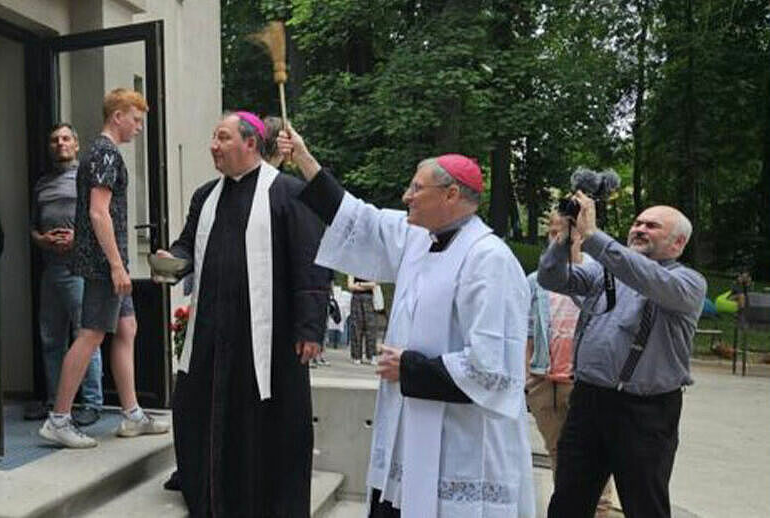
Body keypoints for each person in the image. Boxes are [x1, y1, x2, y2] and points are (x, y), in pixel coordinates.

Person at [282, 125, 534, 517]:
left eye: (417, 188)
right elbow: (356, 217)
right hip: (409, 434)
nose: (406, 196)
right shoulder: (417, 237)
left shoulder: (489, 260)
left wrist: (411, 368)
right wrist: (303, 158)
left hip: (461, 445)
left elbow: (493, 368)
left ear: (451, 194)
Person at [156, 111, 329, 517]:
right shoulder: (205, 196)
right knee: (199, 412)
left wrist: (310, 327)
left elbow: (311, 263)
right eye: (214, 137)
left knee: (265, 425)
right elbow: (187, 245)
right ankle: (211, 500)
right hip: (212, 335)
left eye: (222, 137)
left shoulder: (289, 193)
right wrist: (173, 260)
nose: (213, 146)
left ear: (250, 143)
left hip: (270, 339)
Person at [538, 195, 705, 517]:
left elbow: (647, 278)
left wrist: (593, 236)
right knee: (568, 500)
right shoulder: (605, 273)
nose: (640, 229)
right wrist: (564, 240)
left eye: (652, 226)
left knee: (645, 504)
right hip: (588, 401)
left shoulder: (687, 283)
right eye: (637, 223)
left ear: (678, 243)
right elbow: (551, 278)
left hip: (645, 410)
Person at [38, 88, 169, 448]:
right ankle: (59, 419)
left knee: (127, 327)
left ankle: (132, 414)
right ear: (118, 116)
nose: (139, 127)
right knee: (91, 335)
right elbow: (98, 213)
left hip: (108, 261)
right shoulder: (105, 153)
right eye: (136, 119)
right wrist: (115, 265)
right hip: (102, 264)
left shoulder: (100, 153)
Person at [526, 232, 618, 516]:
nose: (560, 238)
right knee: (558, 454)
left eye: (567, 232)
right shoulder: (536, 281)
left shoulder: (602, 277)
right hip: (544, 379)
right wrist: (527, 375)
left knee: (592, 457)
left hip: (582, 382)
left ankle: (599, 510)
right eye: (554, 232)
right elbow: (527, 329)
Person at [26, 123, 102, 426]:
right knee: (50, 339)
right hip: (51, 269)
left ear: (76, 144)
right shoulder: (42, 185)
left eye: (66, 138)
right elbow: (32, 228)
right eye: (55, 140)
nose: (60, 143)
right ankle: (56, 402)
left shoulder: (87, 178)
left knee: (85, 335)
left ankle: (92, 403)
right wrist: (42, 239)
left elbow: (102, 218)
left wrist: (77, 238)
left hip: (79, 268)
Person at [347, 275, 380, 364]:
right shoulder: (353, 269)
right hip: (356, 298)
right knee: (356, 327)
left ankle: (372, 355)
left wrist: (359, 284)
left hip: (370, 298)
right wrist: (366, 286)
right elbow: (350, 286)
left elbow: (374, 284)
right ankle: (357, 356)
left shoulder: (372, 269)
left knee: (371, 327)